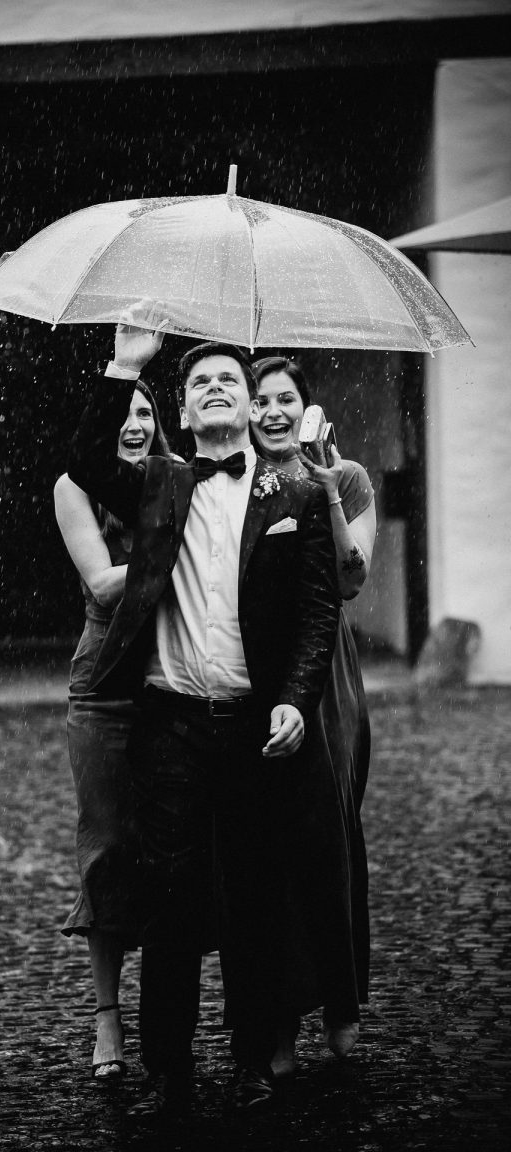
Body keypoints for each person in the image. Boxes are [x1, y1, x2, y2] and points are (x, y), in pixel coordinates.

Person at [67, 300, 341, 1119]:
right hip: (171, 723)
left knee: (255, 895)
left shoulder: (295, 491)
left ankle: (254, 1060)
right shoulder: (160, 481)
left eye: (229, 379)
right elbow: (85, 460)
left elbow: (317, 613)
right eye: (200, 384)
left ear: (252, 405)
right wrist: (125, 366)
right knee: (171, 902)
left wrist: (295, 701)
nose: (216, 388)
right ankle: (169, 1073)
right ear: (183, 414)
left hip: (256, 728)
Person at [250, 356, 376, 1075]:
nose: (272, 412)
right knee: (268, 845)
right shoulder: (239, 485)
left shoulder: (347, 477)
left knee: (330, 832)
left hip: (328, 673)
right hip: (257, 666)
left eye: (286, 399)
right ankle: (279, 1021)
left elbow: (352, 579)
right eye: (261, 399)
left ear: (307, 409)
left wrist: (325, 491)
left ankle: (340, 999)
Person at [55, 381, 172, 1081]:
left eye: (145, 413)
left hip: (171, 679)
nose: (134, 424)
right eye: (123, 413)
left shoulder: (174, 479)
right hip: (103, 688)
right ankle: (107, 1016)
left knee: (173, 852)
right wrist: (180, 548)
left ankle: (171, 1015)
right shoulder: (74, 487)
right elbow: (103, 585)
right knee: (107, 850)